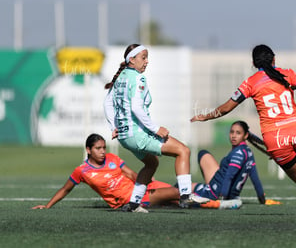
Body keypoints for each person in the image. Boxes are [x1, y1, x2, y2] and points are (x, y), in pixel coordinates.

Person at [191, 44, 296, 214]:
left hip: (275, 138)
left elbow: (226, 108)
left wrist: (206, 116)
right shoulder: (287, 74)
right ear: (274, 59)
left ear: (254, 63)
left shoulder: (250, 83)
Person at [103, 44, 208, 211]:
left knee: (151, 164)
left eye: (147, 57)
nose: (147, 61)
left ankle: (134, 203)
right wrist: (155, 128)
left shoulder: (121, 77)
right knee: (183, 151)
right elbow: (136, 108)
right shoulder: (138, 78)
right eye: (143, 57)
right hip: (138, 135)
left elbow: (107, 103)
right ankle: (186, 196)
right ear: (132, 59)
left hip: (124, 137)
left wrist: (113, 126)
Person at [32, 134, 238, 211]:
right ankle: (222, 204)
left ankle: (209, 203)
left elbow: (131, 174)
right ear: (88, 150)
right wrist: (48, 206)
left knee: (173, 195)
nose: (103, 152)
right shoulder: (82, 171)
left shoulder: (112, 159)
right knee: (177, 193)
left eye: (104, 147)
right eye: (98, 148)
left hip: (142, 188)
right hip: (131, 199)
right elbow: (65, 189)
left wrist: (151, 181)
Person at [192, 120, 281, 206]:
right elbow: (255, 179)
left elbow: (229, 177)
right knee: (203, 154)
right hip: (226, 192)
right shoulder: (248, 152)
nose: (234, 136)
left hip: (215, 193)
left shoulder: (238, 154)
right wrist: (262, 199)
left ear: (245, 135)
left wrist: (222, 198)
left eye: (238, 133)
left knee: (181, 189)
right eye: (232, 132)